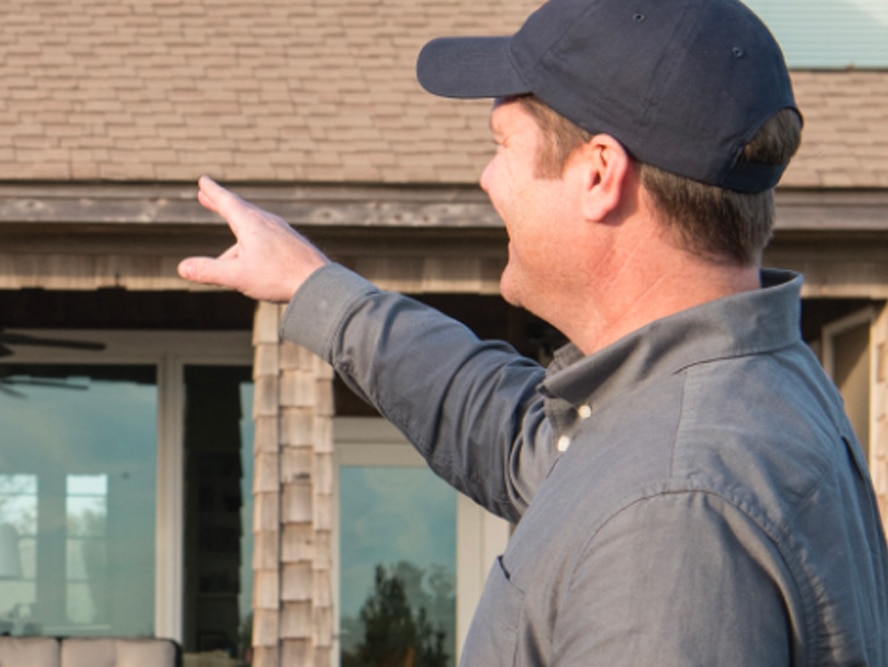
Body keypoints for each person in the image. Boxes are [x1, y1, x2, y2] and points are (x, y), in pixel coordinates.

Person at [178, 0, 888, 663]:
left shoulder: (669, 515)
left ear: (600, 173)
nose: (487, 178)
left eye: (502, 143)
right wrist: (316, 288)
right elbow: (518, 431)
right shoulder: (726, 393)